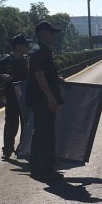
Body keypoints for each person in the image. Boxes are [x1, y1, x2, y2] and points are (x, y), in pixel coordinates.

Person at [26, 21, 64, 182]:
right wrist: (50, 96)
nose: (53, 35)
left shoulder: (40, 50)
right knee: (45, 134)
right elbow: (39, 75)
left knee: (40, 133)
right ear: (43, 34)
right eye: (51, 32)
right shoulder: (41, 51)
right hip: (42, 99)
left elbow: (44, 74)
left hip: (39, 98)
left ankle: (37, 169)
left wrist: (56, 79)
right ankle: (45, 170)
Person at [0, 34, 30, 160]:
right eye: (25, 44)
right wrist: (2, 76)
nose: (27, 47)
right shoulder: (5, 62)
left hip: (26, 97)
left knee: (27, 123)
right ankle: (8, 149)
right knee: (11, 124)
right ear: (17, 46)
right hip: (11, 98)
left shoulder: (28, 60)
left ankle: (24, 148)